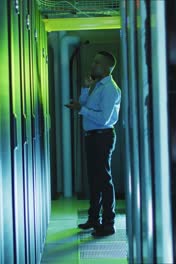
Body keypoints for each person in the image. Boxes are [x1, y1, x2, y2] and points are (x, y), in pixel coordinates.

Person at [65, 51, 121, 237]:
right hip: (93, 136)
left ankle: (108, 223)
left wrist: (82, 109)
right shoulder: (97, 86)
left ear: (106, 68)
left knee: (104, 180)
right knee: (95, 180)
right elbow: (86, 106)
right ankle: (93, 219)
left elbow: (104, 119)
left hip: (102, 136)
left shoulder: (109, 89)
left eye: (96, 63)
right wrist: (84, 89)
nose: (92, 65)